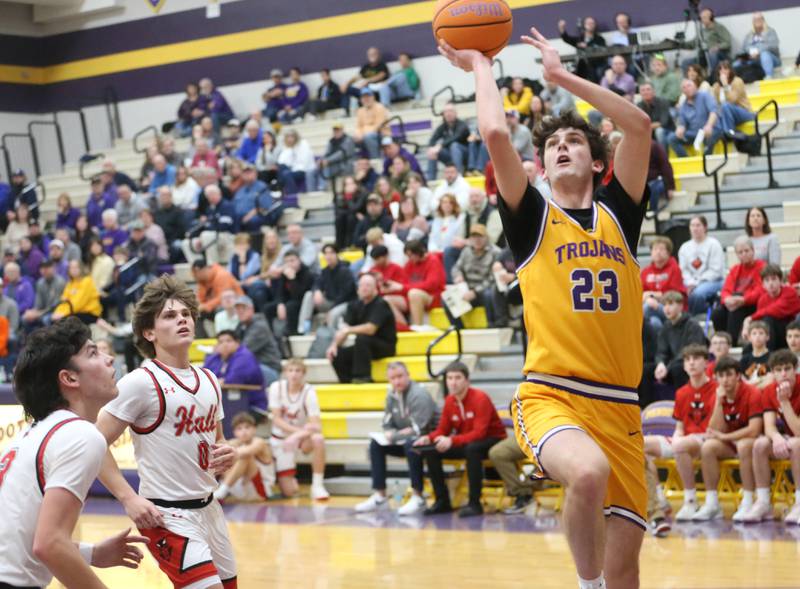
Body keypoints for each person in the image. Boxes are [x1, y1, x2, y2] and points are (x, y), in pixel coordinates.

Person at [438, 23, 654, 586]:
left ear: (597, 160)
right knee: (586, 474)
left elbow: (639, 125)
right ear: (540, 167)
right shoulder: (532, 216)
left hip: (621, 405)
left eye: (574, 141)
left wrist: (561, 77)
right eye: (552, 145)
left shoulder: (620, 214)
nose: (562, 147)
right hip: (552, 394)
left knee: (627, 568)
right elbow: (494, 133)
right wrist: (480, 65)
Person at [95, 275, 239, 588]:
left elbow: (219, 441)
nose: (182, 320)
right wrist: (128, 498)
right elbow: (93, 443)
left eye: (186, 313)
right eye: (170, 316)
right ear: (149, 332)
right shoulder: (140, 383)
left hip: (209, 508)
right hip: (166, 515)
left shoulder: (210, 379)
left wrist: (228, 453)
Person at [0, 317, 147, 588]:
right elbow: (49, 544)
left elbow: (21, 539)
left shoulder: (33, 433)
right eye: (93, 353)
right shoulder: (80, 435)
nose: (109, 359)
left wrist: (93, 553)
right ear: (69, 378)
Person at [413, 361, 506, 517]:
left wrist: (452, 440)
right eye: (449, 378)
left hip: (492, 440)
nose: (453, 382)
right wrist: (428, 438)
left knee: (473, 449)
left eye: (457, 378)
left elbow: (479, 433)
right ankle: (442, 501)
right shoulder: (450, 400)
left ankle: (474, 504)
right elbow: (443, 429)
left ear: (467, 381)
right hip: (467, 441)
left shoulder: (480, 398)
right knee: (431, 450)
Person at [644, 344, 715, 522]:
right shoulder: (682, 392)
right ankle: (659, 499)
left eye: (696, 359)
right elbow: (680, 427)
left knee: (681, 445)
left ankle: (691, 500)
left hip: (707, 438)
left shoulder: (716, 388)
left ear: (706, 362)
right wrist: (677, 436)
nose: (691, 363)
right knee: (639, 444)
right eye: (687, 360)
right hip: (684, 438)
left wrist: (679, 441)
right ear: (683, 365)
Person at [355, 361, 437, 515]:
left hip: (429, 440)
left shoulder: (419, 394)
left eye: (400, 376)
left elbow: (419, 429)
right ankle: (380, 495)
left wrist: (395, 435)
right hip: (404, 440)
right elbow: (386, 424)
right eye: (392, 378)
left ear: (408, 375)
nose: (397, 381)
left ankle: (418, 496)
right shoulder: (391, 395)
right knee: (376, 444)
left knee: (411, 444)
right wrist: (398, 433)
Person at [693, 356, 763, 521]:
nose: (725, 380)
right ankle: (712, 504)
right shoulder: (717, 395)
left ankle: (747, 501)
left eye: (729, 375)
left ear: (738, 376)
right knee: (708, 447)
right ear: (716, 378)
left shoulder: (752, 392)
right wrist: (718, 401)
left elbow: (754, 430)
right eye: (721, 376)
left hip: (754, 440)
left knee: (744, 445)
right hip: (731, 440)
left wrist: (725, 436)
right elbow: (715, 429)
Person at [745, 349, 800, 524]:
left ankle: (799, 502)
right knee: (760, 444)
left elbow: (799, 431)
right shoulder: (769, 390)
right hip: (790, 438)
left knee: (797, 444)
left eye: (787, 368)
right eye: (778, 370)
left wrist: (784, 402)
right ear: (772, 373)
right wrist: (776, 438)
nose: (783, 374)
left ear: (795, 370)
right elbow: (768, 426)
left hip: (797, 437)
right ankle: (763, 502)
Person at [268, 358, 330, 500]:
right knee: (289, 492)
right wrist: (297, 432)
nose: (294, 374)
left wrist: (296, 436)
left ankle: (317, 485)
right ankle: (292, 482)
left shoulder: (309, 391)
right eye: (290, 370)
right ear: (285, 373)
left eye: (298, 371)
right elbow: (277, 419)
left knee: (318, 438)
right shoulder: (276, 388)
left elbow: (316, 425)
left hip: (300, 439)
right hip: (280, 439)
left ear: (303, 374)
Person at [327, 273, 397, 384]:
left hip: (385, 346)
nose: (364, 288)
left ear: (375, 288)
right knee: (338, 354)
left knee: (362, 339)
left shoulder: (381, 304)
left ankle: (363, 378)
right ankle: (347, 383)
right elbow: (344, 329)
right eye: (362, 285)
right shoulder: (354, 305)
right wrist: (334, 345)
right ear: (358, 288)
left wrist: (349, 330)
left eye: (368, 285)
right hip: (364, 347)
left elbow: (371, 329)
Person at [203, 330, 267, 424]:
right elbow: (204, 376)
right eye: (221, 342)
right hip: (229, 404)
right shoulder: (217, 357)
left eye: (228, 341)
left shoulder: (245, 356)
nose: (224, 344)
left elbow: (232, 380)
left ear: (237, 343)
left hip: (252, 406)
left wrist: (218, 380)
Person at [711, 236, 765, 343]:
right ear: (736, 254)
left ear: (753, 251)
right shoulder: (735, 269)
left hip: (753, 304)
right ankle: (722, 340)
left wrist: (743, 299)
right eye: (740, 252)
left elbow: (760, 290)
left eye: (746, 251)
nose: (744, 254)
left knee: (736, 308)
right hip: (736, 302)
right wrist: (727, 299)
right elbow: (725, 290)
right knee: (717, 313)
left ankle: (732, 341)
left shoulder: (761, 267)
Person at [213, 412, 274, 502]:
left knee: (244, 456)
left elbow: (246, 451)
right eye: (239, 429)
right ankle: (216, 490)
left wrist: (225, 451)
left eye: (247, 427)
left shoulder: (260, 442)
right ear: (234, 432)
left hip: (260, 490)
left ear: (254, 429)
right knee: (222, 458)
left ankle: (222, 490)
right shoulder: (234, 442)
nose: (244, 431)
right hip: (240, 486)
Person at [297, 243, 356, 334]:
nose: (328, 256)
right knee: (309, 295)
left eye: (331, 253)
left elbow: (346, 295)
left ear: (337, 254)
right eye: (326, 253)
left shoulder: (345, 271)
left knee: (334, 313)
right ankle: (303, 328)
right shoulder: (325, 271)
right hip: (330, 302)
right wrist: (317, 291)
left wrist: (332, 308)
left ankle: (329, 336)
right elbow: (316, 284)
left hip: (345, 303)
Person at [654, 291, 706, 389]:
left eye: (670, 304)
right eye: (664, 305)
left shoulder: (692, 325)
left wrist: (667, 367)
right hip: (671, 365)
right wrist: (660, 364)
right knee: (647, 369)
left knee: (677, 368)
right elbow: (661, 351)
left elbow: (693, 351)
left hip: (689, 362)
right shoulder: (666, 327)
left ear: (681, 306)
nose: (666, 308)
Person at [742, 265, 800, 351]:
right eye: (767, 280)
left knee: (768, 319)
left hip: (791, 332)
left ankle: (768, 353)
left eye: (774, 279)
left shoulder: (789, 292)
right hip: (773, 334)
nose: (770, 283)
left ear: (780, 281)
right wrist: (748, 326)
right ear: (763, 285)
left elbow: (774, 310)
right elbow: (760, 321)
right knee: (747, 349)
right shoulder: (762, 299)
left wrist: (749, 318)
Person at [678, 215, 726, 315]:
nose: (695, 228)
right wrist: (690, 282)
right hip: (690, 282)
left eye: (698, 225)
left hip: (714, 281)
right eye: (692, 225)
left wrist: (696, 283)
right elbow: (683, 270)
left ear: (705, 227)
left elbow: (716, 270)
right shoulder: (684, 247)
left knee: (697, 294)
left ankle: (695, 317)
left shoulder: (714, 244)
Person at [452, 224, 499, 322]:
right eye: (474, 237)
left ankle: (491, 324)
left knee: (489, 294)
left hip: (483, 290)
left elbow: (493, 278)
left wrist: (475, 291)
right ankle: (459, 329)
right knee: (447, 298)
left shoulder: (495, 252)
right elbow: (456, 268)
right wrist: (458, 276)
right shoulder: (466, 251)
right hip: (466, 289)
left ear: (486, 237)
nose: (477, 240)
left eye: (480, 236)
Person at [183, 184, 237, 265]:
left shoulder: (227, 206)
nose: (210, 197)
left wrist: (207, 229)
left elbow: (223, 226)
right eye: (208, 196)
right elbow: (206, 226)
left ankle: (212, 266)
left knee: (206, 235)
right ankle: (199, 267)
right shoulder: (210, 209)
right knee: (187, 243)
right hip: (212, 236)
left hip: (227, 235)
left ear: (219, 193)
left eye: (212, 194)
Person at [234, 295, 282, 386]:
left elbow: (242, 350)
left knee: (240, 369)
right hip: (255, 366)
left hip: (269, 369)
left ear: (251, 309)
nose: (240, 312)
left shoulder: (260, 326)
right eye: (237, 309)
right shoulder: (241, 326)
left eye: (243, 308)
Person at [667, 78, 722, 157]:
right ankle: (686, 160)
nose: (687, 89)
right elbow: (682, 123)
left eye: (689, 85)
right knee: (672, 138)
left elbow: (714, 112)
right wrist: (680, 128)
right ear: (682, 91)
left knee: (709, 136)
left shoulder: (705, 96)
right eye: (684, 87)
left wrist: (709, 125)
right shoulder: (683, 106)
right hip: (694, 133)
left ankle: (706, 163)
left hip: (712, 129)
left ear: (695, 86)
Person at [640, 236, 685, 330]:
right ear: (651, 252)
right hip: (650, 307)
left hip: (670, 307)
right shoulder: (645, 272)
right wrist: (647, 299)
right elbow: (639, 293)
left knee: (648, 308)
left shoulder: (675, 269)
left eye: (661, 249)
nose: (658, 252)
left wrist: (651, 295)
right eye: (655, 249)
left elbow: (674, 294)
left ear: (668, 252)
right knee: (654, 322)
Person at [681, 7, 732, 78]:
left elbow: (727, 43)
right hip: (704, 56)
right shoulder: (702, 31)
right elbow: (693, 44)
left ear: (711, 18)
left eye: (704, 17)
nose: (701, 20)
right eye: (701, 18)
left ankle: (713, 78)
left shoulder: (719, 27)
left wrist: (717, 47)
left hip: (719, 55)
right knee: (686, 62)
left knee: (712, 54)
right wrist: (680, 44)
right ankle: (690, 83)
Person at [340, 46, 390, 115]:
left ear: (378, 55)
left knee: (364, 92)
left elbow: (381, 75)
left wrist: (368, 81)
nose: (372, 56)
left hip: (375, 90)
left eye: (374, 54)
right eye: (370, 54)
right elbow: (357, 77)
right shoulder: (366, 67)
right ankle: (346, 111)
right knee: (346, 89)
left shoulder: (382, 65)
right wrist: (347, 83)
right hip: (363, 89)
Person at [427, 103, 470, 179]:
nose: (448, 114)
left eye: (450, 111)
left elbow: (456, 137)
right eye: (446, 112)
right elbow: (432, 140)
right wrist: (431, 148)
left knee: (455, 146)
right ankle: (430, 179)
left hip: (466, 155)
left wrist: (440, 145)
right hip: (450, 156)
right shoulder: (443, 127)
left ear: (456, 113)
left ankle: (457, 177)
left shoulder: (462, 125)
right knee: (432, 151)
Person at [712, 61, 754, 139]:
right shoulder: (716, 86)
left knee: (725, 106)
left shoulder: (737, 81)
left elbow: (732, 100)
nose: (723, 71)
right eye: (720, 69)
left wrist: (725, 84)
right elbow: (715, 104)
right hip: (727, 115)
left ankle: (729, 133)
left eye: (725, 69)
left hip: (743, 112)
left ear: (730, 70)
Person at [557, 16, 607, 82]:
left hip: (595, 64)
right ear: (584, 25)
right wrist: (562, 28)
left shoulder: (599, 39)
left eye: (592, 23)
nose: (590, 25)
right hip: (581, 65)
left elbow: (603, 50)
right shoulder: (580, 39)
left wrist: (588, 47)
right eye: (588, 23)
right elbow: (567, 39)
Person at [52, 260, 102, 324]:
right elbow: (63, 300)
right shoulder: (70, 283)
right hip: (76, 312)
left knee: (65, 320)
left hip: (90, 313)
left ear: (81, 268)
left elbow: (78, 303)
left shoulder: (87, 281)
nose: (74, 270)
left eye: (76, 267)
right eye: (71, 268)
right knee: (52, 319)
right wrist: (57, 312)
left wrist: (63, 313)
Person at [22, 259, 65, 331]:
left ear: (53, 268)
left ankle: (48, 341)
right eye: (42, 268)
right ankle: (34, 340)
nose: (44, 270)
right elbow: (38, 304)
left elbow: (54, 306)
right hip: (44, 312)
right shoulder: (40, 282)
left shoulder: (60, 282)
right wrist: (32, 312)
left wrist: (38, 314)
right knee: (24, 318)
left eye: (47, 267)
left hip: (57, 312)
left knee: (45, 319)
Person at [736, 12, 781, 79]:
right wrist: (750, 54)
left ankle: (769, 76)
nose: (757, 21)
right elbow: (744, 48)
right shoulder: (749, 34)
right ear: (753, 22)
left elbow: (773, 45)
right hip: (754, 59)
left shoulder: (770, 31)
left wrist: (758, 52)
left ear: (763, 20)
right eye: (755, 19)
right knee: (736, 64)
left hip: (771, 59)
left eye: (759, 19)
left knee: (764, 54)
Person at [637, 81, 674, 152]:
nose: (646, 92)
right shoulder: (639, 106)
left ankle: (664, 157)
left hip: (667, 131)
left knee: (659, 131)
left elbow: (663, 122)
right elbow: (639, 125)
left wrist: (648, 127)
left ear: (653, 91)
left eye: (648, 89)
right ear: (640, 93)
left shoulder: (663, 102)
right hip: (649, 133)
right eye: (643, 90)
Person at [353, 88, 389, 159]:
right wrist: (358, 135)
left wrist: (363, 135)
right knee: (349, 140)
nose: (366, 99)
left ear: (373, 97)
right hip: (365, 135)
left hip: (382, 134)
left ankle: (375, 160)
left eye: (368, 96)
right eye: (363, 97)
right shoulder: (360, 111)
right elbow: (358, 127)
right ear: (361, 99)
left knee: (369, 137)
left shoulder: (380, 107)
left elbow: (378, 126)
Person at [740, 321, 773, 389]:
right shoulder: (744, 359)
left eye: (761, 333)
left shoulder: (773, 357)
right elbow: (741, 380)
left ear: (767, 337)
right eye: (754, 333)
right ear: (749, 338)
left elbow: (771, 379)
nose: (757, 336)